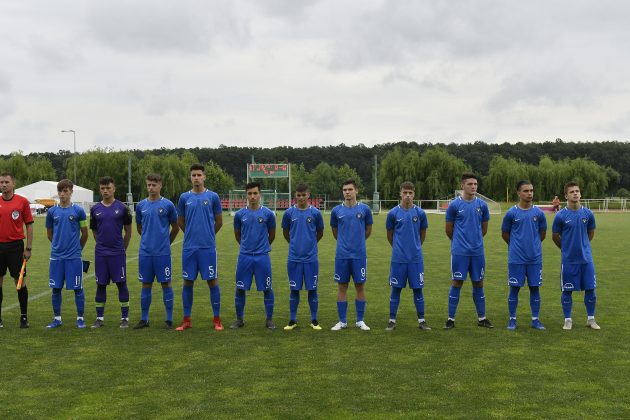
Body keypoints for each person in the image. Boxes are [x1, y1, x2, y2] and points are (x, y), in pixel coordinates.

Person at [176, 163, 224, 331]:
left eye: (199, 175)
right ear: (190, 178)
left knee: (212, 281)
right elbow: (180, 221)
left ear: (204, 177)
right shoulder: (184, 197)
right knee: (187, 282)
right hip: (189, 248)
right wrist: (190, 233)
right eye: (193, 175)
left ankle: (217, 319)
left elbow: (219, 221)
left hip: (207, 248)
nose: (196, 178)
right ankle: (186, 320)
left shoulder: (213, 196)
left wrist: (208, 235)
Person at [444, 173, 493, 329]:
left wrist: (475, 241)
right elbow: (449, 229)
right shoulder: (454, 205)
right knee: (457, 282)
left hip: (477, 251)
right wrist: (459, 242)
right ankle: (450, 319)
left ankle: (482, 318)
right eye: (470, 184)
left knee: (478, 282)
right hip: (460, 251)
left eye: (475, 184)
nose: (473, 186)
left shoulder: (482, 205)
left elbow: (484, 229)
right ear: (462, 186)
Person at [133, 174, 179, 329]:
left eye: (154, 185)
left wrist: (166, 243)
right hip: (145, 253)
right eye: (149, 185)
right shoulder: (141, 205)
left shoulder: (168, 205)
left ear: (160, 185)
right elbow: (139, 227)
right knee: (146, 284)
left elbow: (175, 227)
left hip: (162, 253)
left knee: (166, 284)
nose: (151, 187)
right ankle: (144, 319)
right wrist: (148, 239)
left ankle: (169, 319)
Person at [552, 181, 600, 330]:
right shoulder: (560, 215)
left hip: (586, 259)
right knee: (567, 290)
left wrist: (583, 246)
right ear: (566, 196)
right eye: (572, 192)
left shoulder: (588, 214)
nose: (575, 194)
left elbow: (590, 233)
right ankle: (568, 320)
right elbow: (555, 236)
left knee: (591, 289)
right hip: (569, 260)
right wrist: (566, 248)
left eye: (577, 191)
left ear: (580, 194)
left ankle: (591, 319)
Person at [501, 180, 547, 330]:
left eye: (531, 190)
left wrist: (533, 245)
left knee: (535, 288)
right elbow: (505, 233)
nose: (529, 193)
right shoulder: (511, 213)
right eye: (526, 191)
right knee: (514, 289)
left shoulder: (539, 213)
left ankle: (535, 320)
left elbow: (542, 234)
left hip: (534, 258)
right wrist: (516, 246)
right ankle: (512, 320)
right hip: (516, 259)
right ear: (519, 193)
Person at [385, 181, 431, 331]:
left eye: (410, 193)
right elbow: (390, 235)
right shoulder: (393, 213)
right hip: (398, 259)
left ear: (414, 194)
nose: (407, 196)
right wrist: (398, 249)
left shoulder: (420, 213)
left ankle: (422, 321)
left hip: (415, 259)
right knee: (396, 289)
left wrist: (415, 247)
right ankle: (392, 320)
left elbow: (422, 234)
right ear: (400, 193)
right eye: (405, 193)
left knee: (418, 289)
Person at [231, 182, 277, 330]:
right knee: (240, 288)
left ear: (260, 195)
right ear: (246, 195)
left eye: (255, 193)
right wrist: (247, 247)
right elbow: (238, 235)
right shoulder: (239, 215)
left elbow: (272, 235)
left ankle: (269, 320)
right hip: (244, 256)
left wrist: (262, 247)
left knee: (267, 288)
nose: (252, 196)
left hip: (262, 257)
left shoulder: (268, 214)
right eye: (250, 193)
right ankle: (239, 320)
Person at [330, 179, 373, 331]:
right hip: (342, 255)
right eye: (345, 190)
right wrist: (345, 243)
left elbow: (368, 230)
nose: (347, 192)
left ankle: (360, 320)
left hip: (359, 255)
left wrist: (358, 241)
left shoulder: (365, 209)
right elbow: (335, 232)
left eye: (350, 189)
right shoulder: (336, 211)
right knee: (342, 286)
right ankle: (342, 321)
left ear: (356, 191)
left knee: (360, 286)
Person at [90, 176, 133, 328]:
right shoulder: (95, 209)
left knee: (121, 284)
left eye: (108, 188)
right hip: (101, 254)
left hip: (117, 253)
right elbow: (94, 230)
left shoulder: (123, 208)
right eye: (102, 188)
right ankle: (99, 319)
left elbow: (128, 231)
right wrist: (102, 244)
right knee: (100, 285)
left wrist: (122, 248)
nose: (105, 191)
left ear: (114, 189)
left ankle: (125, 318)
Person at [45, 179, 88, 328]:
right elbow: (49, 233)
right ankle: (57, 319)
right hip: (56, 257)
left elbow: (85, 233)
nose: (62, 194)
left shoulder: (78, 211)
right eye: (60, 191)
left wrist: (77, 249)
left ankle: (80, 318)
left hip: (73, 257)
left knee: (78, 288)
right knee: (56, 288)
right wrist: (57, 246)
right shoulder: (52, 212)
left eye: (65, 191)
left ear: (71, 192)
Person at [281, 183, 324, 330]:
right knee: (294, 290)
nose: (301, 198)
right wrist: (294, 244)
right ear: (295, 195)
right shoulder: (288, 213)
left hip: (311, 258)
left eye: (303, 195)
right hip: (294, 258)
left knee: (312, 289)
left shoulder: (316, 213)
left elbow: (320, 232)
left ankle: (314, 320)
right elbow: (286, 232)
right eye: (298, 195)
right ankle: (292, 320)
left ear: (308, 195)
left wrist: (311, 244)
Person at [0, 172, 33, 328]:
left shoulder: (22, 202)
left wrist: (28, 248)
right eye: (1, 182)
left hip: (16, 247)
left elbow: (29, 225)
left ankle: (24, 317)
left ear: (13, 184)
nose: (3, 185)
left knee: (19, 282)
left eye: (6, 182)